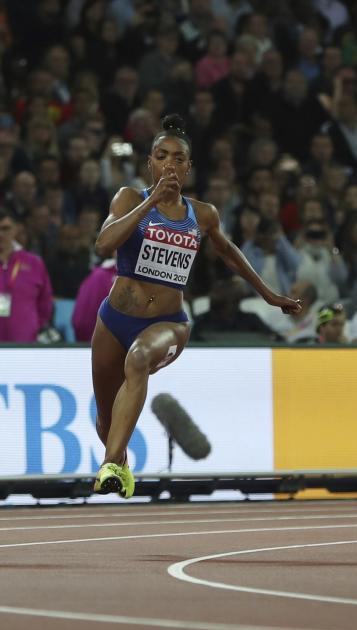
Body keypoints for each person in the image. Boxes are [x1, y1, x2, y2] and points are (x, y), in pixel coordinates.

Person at [89, 114, 300, 498]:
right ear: (150, 163)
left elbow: (230, 254)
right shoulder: (129, 198)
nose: (169, 163)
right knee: (105, 420)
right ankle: (120, 464)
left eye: (178, 158)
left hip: (167, 323)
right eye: (161, 155)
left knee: (138, 361)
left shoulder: (202, 215)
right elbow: (104, 245)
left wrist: (269, 295)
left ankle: (108, 467)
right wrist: (151, 200)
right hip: (114, 319)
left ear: (189, 167)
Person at [0, 209, 53, 343]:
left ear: (16, 229)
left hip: (25, 345)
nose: (0, 234)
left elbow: (45, 304)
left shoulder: (34, 263)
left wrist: (33, 325)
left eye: (5, 228)